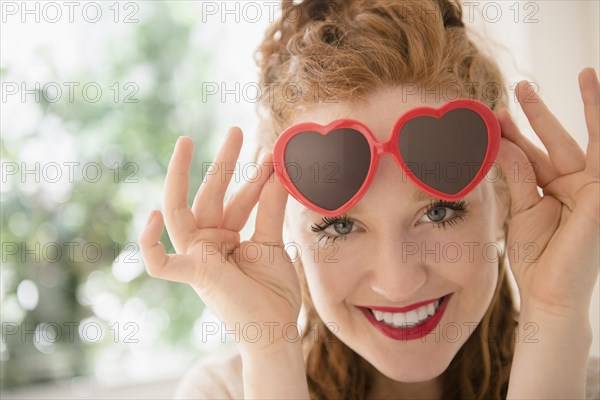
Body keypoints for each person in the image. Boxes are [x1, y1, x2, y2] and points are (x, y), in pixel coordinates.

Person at [139, 0, 600, 398]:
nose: (398, 283)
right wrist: (270, 352)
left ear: (507, 202)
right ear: (285, 224)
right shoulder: (227, 393)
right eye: (340, 226)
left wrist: (556, 318)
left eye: (438, 212)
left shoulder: (582, 383)